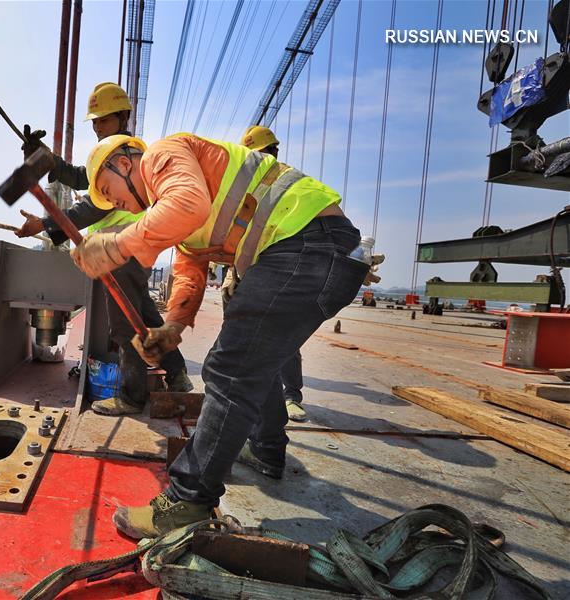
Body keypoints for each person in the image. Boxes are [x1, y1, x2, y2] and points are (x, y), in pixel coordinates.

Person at [70, 132, 369, 538]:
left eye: (110, 192)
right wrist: (171, 328)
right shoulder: (178, 214)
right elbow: (189, 272)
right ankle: (265, 450)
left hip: (306, 244)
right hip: (320, 252)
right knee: (252, 361)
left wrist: (118, 244)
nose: (116, 204)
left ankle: (187, 501)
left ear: (124, 163)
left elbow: (187, 205)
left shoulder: (162, 155)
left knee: (229, 370)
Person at [15, 83, 193, 416]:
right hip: (130, 249)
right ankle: (179, 373)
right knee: (147, 317)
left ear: (124, 117)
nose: (97, 127)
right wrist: (42, 158)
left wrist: (46, 224)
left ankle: (131, 396)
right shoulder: (113, 154)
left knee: (125, 326)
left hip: (120, 248)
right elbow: (78, 176)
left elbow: (93, 208)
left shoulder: (121, 158)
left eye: (104, 120)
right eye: (95, 121)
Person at [240, 126, 307, 422]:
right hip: (256, 269)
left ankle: (291, 395)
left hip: (286, 267)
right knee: (249, 336)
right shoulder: (249, 189)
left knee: (285, 337)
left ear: (273, 153)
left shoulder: (290, 183)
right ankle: (257, 396)